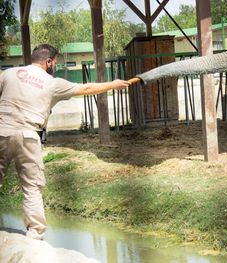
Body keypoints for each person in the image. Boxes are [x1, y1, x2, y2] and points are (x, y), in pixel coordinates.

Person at [0, 44, 130, 240]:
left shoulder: (9, 74)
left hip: (2, 131)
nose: (55, 66)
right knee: (31, 187)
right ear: (48, 61)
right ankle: (35, 234)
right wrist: (114, 84)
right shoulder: (52, 82)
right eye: (55, 62)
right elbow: (86, 88)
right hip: (29, 136)